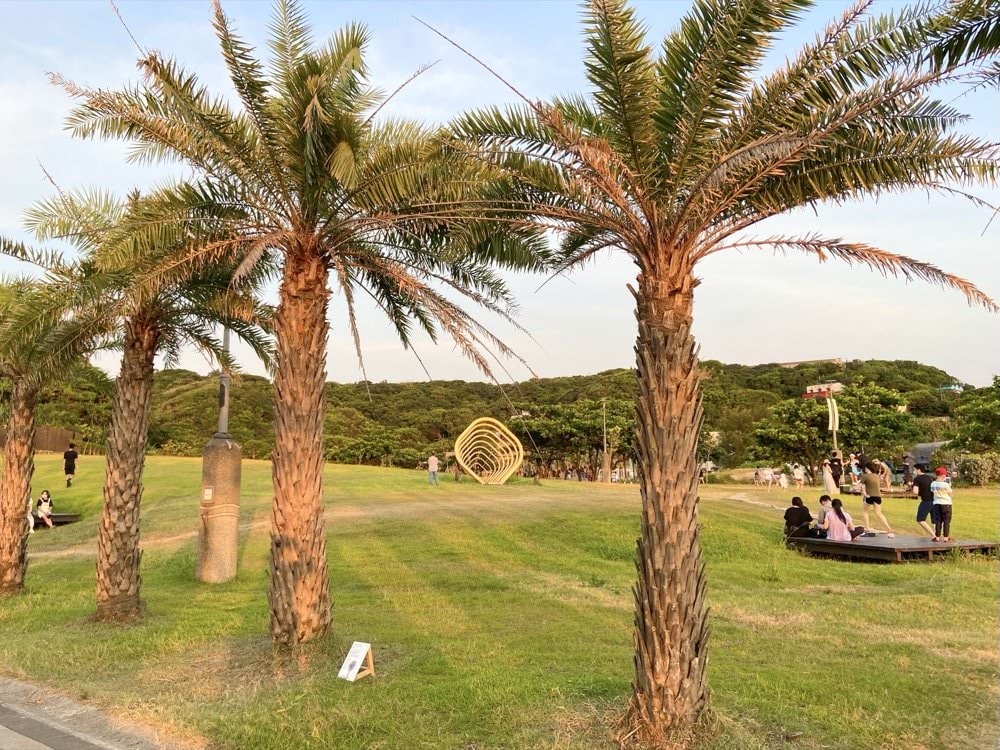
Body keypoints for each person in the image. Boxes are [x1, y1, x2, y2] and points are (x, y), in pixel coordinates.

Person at [861, 463, 895, 537]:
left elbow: (863, 487)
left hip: (869, 496)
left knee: (865, 511)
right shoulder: (877, 476)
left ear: (867, 468)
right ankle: (889, 528)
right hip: (878, 496)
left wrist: (865, 494)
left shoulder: (865, 476)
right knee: (879, 513)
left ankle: (867, 528)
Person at [911, 464, 936, 538]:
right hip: (935, 500)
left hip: (926, 501)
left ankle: (933, 535)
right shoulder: (931, 477)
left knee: (920, 519)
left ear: (918, 470)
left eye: (914, 469)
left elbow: (915, 492)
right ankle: (937, 535)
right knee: (934, 520)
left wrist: (912, 487)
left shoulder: (917, 479)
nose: (913, 471)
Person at [931, 466, 954, 542]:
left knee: (938, 520)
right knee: (946, 521)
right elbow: (950, 493)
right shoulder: (945, 485)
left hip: (936, 503)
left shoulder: (933, 484)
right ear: (943, 475)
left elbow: (932, 491)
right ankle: (946, 537)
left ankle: (937, 537)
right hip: (946, 503)